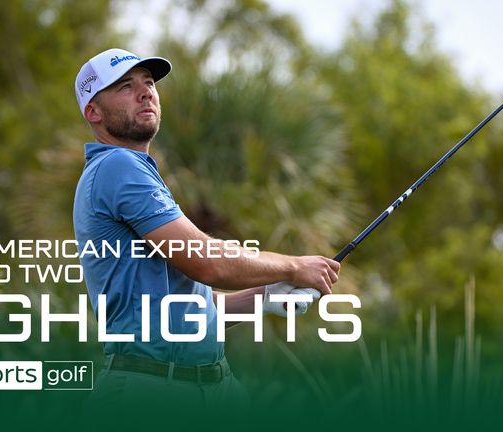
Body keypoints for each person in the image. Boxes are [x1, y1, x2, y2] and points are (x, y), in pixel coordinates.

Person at [72, 48, 341, 415]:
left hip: (209, 389)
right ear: (94, 112)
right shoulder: (117, 166)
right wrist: (293, 267)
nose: (146, 92)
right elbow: (208, 263)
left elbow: (194, 305)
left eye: (149, 83)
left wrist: (265, 295)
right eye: (125, 86)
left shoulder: (133, 169)